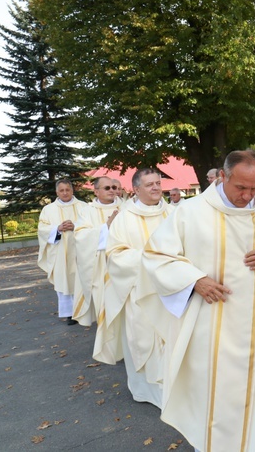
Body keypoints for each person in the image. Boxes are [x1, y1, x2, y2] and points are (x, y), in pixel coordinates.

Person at [140, 150, 255, 452]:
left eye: (254, 188)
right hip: (213, 325)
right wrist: (193, 280)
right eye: (240, 187)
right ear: (222, 177)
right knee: (218, 393)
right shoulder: (190, 212)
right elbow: (156, 257)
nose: (247, 196)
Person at [93, 168, 173, 408]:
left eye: (158, 183)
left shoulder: (173, 212)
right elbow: (115, 254)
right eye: (149, 185)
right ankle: (146, 391)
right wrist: (150, 258)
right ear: (136, 189)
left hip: (171, 290)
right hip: (139, 290)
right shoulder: (125, 218)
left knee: (171, 339)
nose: (156, 188)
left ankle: (174, 389)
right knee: (144, 339)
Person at [37, 179, 88, 325]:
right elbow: (42, 229)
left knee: (82, 280)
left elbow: (91, 226)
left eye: (67, 189)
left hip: (80, 251)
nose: (65, 193)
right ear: (56, 192)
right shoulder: (48, 209)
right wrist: (57, 228)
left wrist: (75, 226)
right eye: (62, 190)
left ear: (72, 190)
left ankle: (85, 310)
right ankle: (70, 313)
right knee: (64, 281)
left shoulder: (84, 207)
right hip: (59, 253)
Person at [72, 177, 121, 326]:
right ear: (96, 191)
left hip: (123, 265)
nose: (112, 190)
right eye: (107, 188)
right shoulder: (87, 211)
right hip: (100, 267)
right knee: (105, 306)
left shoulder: (127, 208)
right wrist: (106, 227)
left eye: (113, 187)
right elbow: (80, 236)